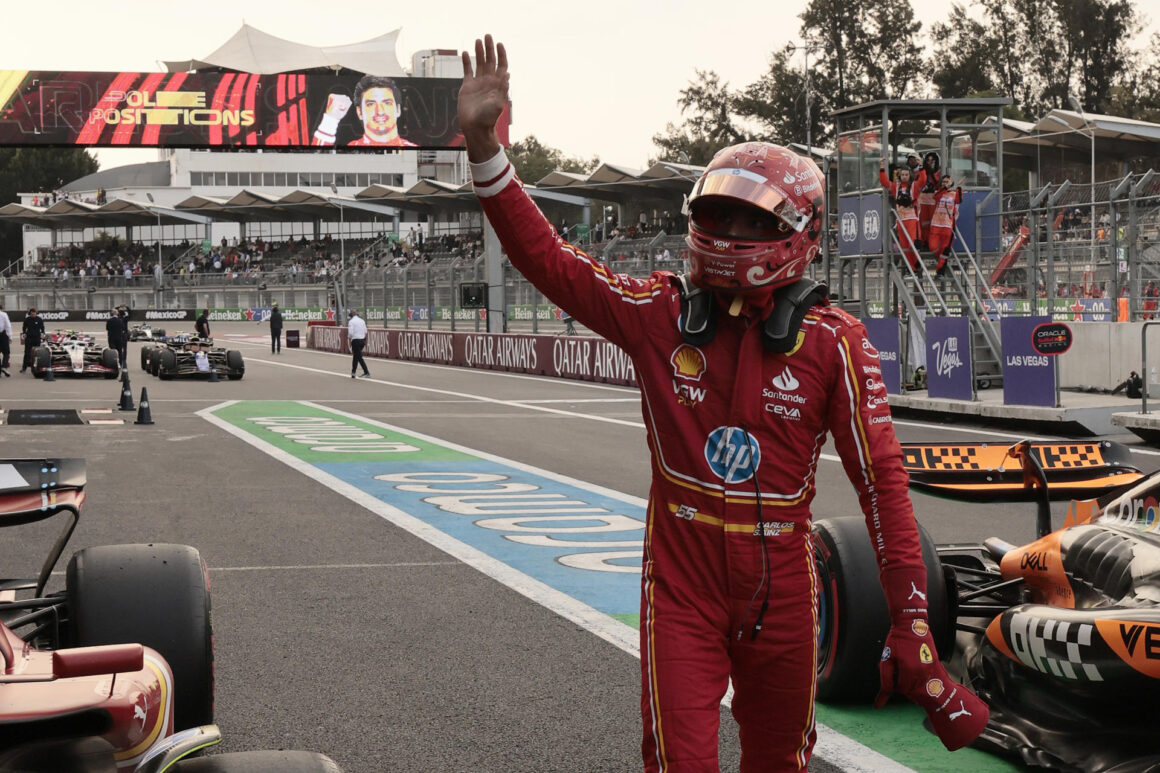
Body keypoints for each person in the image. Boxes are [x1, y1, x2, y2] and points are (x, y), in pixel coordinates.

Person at [458, 35, 988, 773]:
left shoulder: (836, 343)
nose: (729, 235)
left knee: (780, 763)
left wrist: (911, 621)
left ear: (797, 229)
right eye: (719, 216)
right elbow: (547, 258)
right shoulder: (657, 312)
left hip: (787, 595)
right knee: (680, 762)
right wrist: (486, 147)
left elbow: (885, 493)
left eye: (752, 221)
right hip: (684, 591)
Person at [313, 75, 418, 148]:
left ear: (398, 110)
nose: (380, 111)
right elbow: (315, 160)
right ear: (360, 112)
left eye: (387, 103)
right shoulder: (350, 149)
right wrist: (331, 119)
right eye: (371, 104)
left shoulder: (413, 148)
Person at [879, 158, 921, 270]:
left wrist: (920, 166)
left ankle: (916, 264)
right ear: (899, 175)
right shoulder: (895, 187)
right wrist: (882, 167)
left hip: (912, 219)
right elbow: (884, 182)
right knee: (904, 246)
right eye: (902, 174)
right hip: (900, 220)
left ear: (910, 175)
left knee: (913, 244)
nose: (904, 176)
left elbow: (923, 180)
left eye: (906, 174)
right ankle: (911, 268)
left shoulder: (914, 186)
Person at [929, 175, 964, 275]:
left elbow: (959, 200)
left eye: (947, 182)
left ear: (951, 183)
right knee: (933, 247)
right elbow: (936, 197)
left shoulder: (954, 194)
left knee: (945, 250)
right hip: (936, 224)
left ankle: (940, 272)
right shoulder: (938, 192)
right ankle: (939, 257)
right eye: (943, 182)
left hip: (947, 225)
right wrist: (944, 188)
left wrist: (959, 187)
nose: (945, 183)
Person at [916, 151, 942, 248]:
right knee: (923, 222)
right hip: (923, 200)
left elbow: (939, 184)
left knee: (933, 222)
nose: (930, 162)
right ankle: (924, 241)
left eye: (932, 161)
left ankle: (932, 243)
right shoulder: (922, 172)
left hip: (933, 201)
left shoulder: (939, 173)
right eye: (928, 160)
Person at [20, 307, 45, 373]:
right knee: (27, 353)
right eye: (31, 314)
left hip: (37, 338)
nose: (33, 315)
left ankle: (37, 367)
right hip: (29, 338)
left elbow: (42, 328)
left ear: (36, 313)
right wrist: (24, 333)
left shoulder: (39, 319)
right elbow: (24, 327)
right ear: (29, 314)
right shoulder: (27, 319)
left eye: (34, 314)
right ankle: (24, 368)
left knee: (37, 353)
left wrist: (42, 333)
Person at [347, 308, 370, 378]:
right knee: (356, 356)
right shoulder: (362, 321)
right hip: (362, 340)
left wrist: (349, 343)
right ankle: (353, 372)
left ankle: (366, 372)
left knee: (359, 357)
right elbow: (366, 332)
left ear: (352, 314)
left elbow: (350, 333)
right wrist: (365, 342)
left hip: (355, 341)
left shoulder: (351, 322)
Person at [0, 303, 10, 377]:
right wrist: (10, 336)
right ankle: (4, 367)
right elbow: (8, 326)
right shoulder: (4, 314)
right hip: (2, 335)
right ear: (1, 308)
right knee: (6, 353)